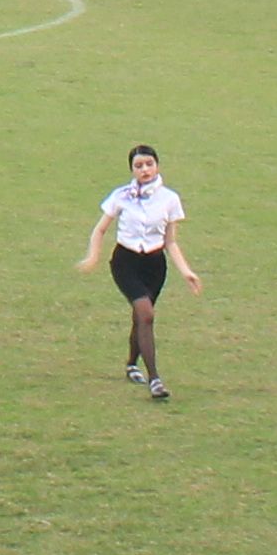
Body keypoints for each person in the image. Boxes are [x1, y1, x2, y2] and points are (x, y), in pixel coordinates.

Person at [72, 146, 186, 398]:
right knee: (146, 314)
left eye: (149, 164)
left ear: (157, 165)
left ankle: (132, 364)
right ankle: (155, 380)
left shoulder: (169, 199)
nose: (144, 170)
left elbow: (170, 241)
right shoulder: (121, 196)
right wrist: (93, 256)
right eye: (138, 166)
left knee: (141, 317)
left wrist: (187, 272)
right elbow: (100, 229)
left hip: (155, 266)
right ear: (132, 170)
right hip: (126, 263)